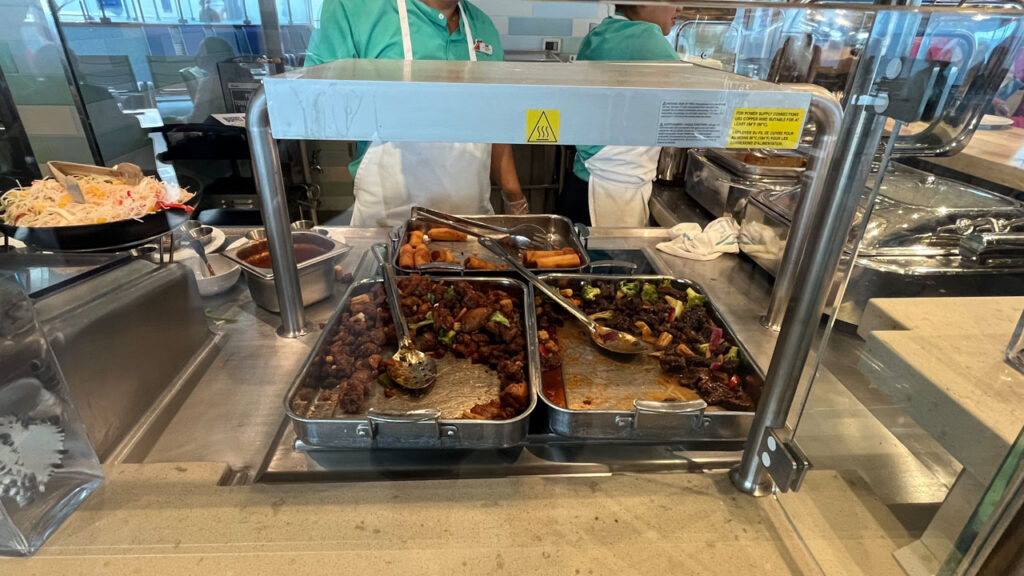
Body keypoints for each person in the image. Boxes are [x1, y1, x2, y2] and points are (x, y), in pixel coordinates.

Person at [306, 0, 526, 227]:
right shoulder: (355, 9)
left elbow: (494, 124)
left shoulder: (483, 27)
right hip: (387, 229)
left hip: (470, 227)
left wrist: (515, 198)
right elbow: (318, 105)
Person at [556, 4, 679, 227]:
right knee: (613, 262)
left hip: (581, 184)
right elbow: (688, 104)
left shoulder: (601, 32)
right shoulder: (646, 36)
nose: (679, 7)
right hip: (611, 194)